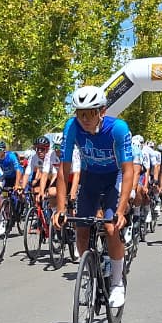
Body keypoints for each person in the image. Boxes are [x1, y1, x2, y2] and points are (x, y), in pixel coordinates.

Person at [53, 85, 137, 308]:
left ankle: (117, 282)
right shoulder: (72, 127)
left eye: (90, 113)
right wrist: (60, 209)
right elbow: (64, 170)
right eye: (80, 114)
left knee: (110, 227)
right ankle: (90, 271)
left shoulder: (118, 128)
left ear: (102, 111)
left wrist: (121, 210)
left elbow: (128, 170)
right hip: (90, 177)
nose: (85, 120)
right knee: (81, 230)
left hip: (114, 177)